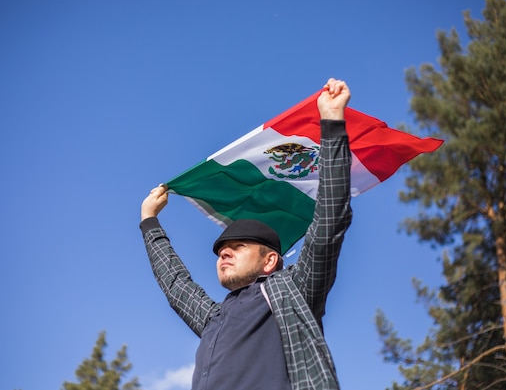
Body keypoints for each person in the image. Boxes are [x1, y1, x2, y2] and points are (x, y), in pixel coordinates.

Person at [140, 78, 353, 390]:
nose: (223, 252)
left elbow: (328, 222)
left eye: (238, 246)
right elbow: (176, 285)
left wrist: (332, 122)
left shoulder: (296, 291)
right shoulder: (215, 318)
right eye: (222, 249)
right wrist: (149, 221)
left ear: (269, 261)